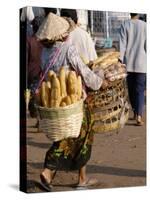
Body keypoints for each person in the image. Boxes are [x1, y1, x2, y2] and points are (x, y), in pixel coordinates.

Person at [35, 13, 107, 191]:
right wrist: (100, 80)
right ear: (60, 34)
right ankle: (53, 172)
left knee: (67, 136)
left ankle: (67, 175)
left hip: (57, 102)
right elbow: (84, 73)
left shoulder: (45, 52)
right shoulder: (68, 48)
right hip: (73, 100)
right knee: (80, 136)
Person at [119, 13, 146, 126]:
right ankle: (139, 115)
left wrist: (120, 59)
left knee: (131, 89)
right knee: (139, 89)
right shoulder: (145, 26)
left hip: (128, 63)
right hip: (142, 63)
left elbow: (122, 44)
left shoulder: (125, 24)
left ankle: (135, 112)